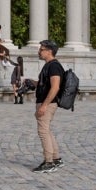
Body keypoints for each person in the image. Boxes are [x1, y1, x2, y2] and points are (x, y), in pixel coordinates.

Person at [27, 40, 65, 173]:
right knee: (47, 130)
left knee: (43, 132)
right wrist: (33, 83)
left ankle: (48, 162)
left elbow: (55, 87)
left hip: (47, 103)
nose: (39, 51)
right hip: (46, 102)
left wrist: (44, 106)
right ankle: (56, 158)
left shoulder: (54, 66)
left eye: (41, 49)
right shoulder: (49, 66)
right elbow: (46, 84)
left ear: (49, 51)